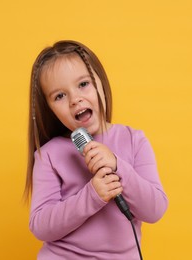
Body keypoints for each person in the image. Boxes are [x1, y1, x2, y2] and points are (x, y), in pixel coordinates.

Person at [25, 40, 168, 259]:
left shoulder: (133, 140)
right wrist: (92, 195)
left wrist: (119, 166)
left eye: (83, 84)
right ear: (50, 108)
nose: (75, 99)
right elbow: (41, 226)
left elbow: (155, 210)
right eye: (60, 96)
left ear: (101, 82)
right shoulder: (49, 155)